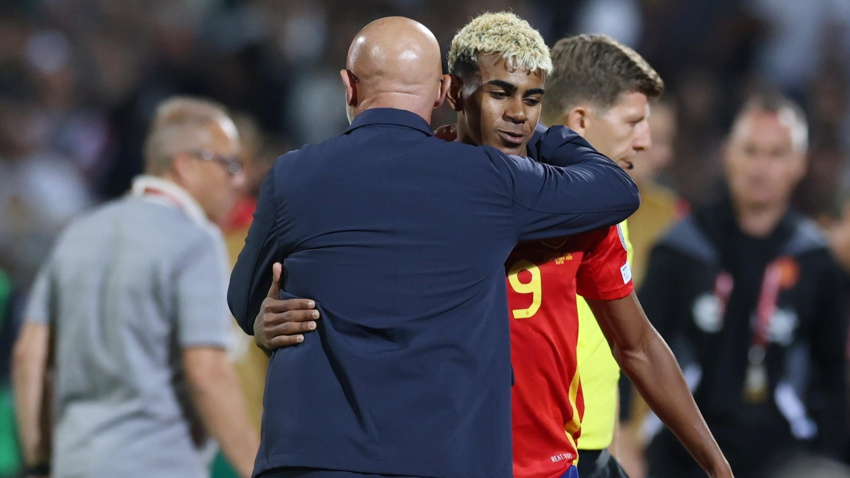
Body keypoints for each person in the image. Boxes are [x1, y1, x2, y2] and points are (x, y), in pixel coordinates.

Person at [248, 14, 731, 478]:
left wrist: (715, 463)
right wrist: (264, 319)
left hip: (550, 464)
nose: (519, 114)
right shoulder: (413, 185)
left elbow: (638, 344)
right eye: (501, 93)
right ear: (453, 92)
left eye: (533, 98)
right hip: (439, 459)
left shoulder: (579, 210)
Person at [12, 97, 260, 478]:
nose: (239, 180)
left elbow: (30, 356)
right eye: (229, 164)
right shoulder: (196, 240)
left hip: (73, 464)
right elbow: (206, 374)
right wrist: (257, 469)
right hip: (158, 465)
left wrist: (39, 461)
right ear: (185, 165)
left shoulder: (78, 233)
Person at [639, 92, 848, 477]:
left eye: (777, 154)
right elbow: (635, 352)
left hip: (785, 457)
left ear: (799, 164)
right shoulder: (680, 250)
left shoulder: (815, 261)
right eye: (750, 150)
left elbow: (834, 372)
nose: (761, 167)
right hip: (682, 452)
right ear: (727, 154)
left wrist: (830, 451)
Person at [539, 33, 663, 478]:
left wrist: (613, 435)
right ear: (581, 121)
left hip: (589, 449)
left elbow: (603, 339)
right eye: (633, 122)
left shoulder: (607, 198)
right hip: (542, 455)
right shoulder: (527, 211)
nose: (645, 140)